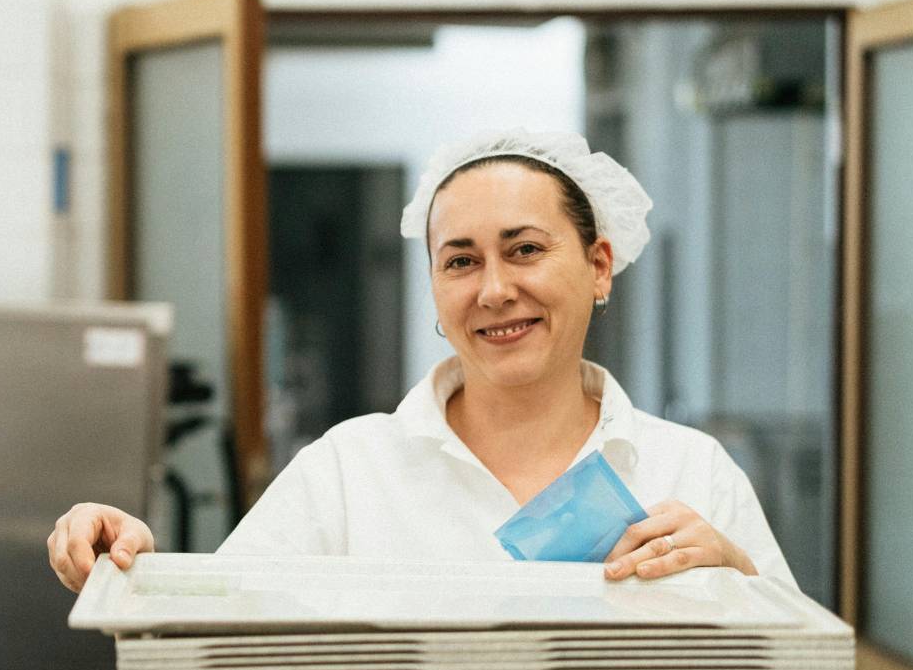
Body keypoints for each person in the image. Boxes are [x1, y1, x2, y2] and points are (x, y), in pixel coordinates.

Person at [47, 131, 799, 592]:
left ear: (600, 266)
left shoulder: (691, 474)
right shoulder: (348, 471)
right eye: (461, 261)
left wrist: (737, 580)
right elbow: (217, 621)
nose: (495, 290)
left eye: (526, 249)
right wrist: (128, 556)